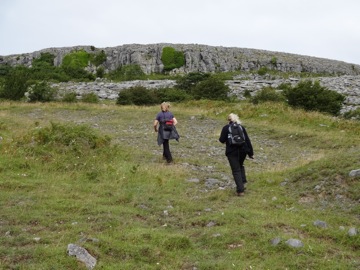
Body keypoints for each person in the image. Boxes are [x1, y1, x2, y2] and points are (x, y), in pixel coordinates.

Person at [219, 113, 254, 196]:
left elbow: (221, 140)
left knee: (236, 170)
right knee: (240, 165)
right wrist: (250, 153)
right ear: (237, 119)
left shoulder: (226, 128)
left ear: (228, 120)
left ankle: (240, 190)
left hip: (231, 151)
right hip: (243, 150)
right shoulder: (241, 127)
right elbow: (247, 140)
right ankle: (243, 182)